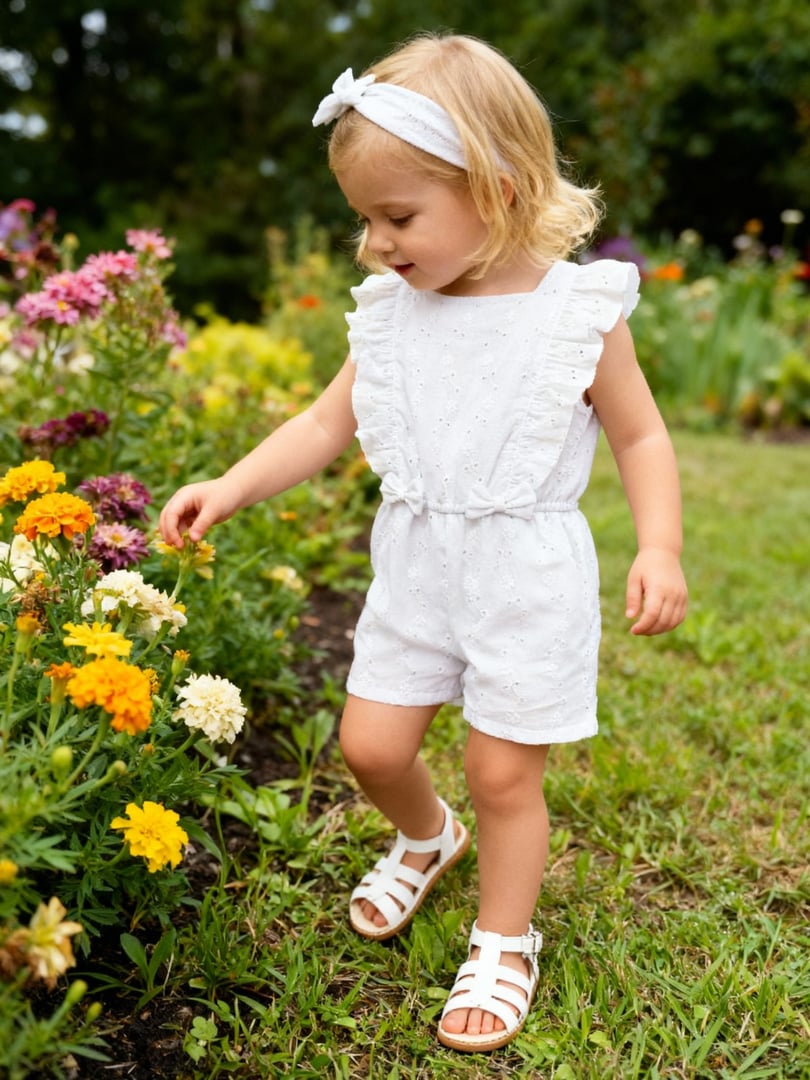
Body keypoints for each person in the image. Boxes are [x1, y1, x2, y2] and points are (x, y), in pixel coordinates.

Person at [159, 32, 688, 1053]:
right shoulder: (391, 315)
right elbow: (322, 427)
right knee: (370, 746)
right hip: (416, 566)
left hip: (524, 574)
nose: (376, 243)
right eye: (365, 218)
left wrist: (658, 545)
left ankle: (503, 935)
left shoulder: (574, 310)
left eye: (397, 217)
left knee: (504, 774)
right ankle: (424, 836)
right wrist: (229, 486)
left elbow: (642, 432)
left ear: (495, 187)